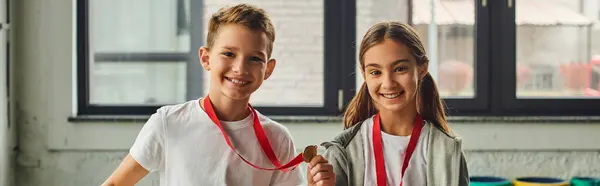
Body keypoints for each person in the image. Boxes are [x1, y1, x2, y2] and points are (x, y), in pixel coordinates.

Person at [101, 4, 335, 186]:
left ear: (269, 69)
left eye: (254, 58)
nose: (240, 68)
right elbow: (115, 183)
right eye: (229, 53)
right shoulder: (168, 123)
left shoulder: (278, 138)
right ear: (205, 58)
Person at [321, 21, 469, 186]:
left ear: (422, 68)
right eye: (375, 72)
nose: (388, 83)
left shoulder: (447, 150)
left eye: (400, 69)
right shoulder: (342, 151)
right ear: (364, 74)